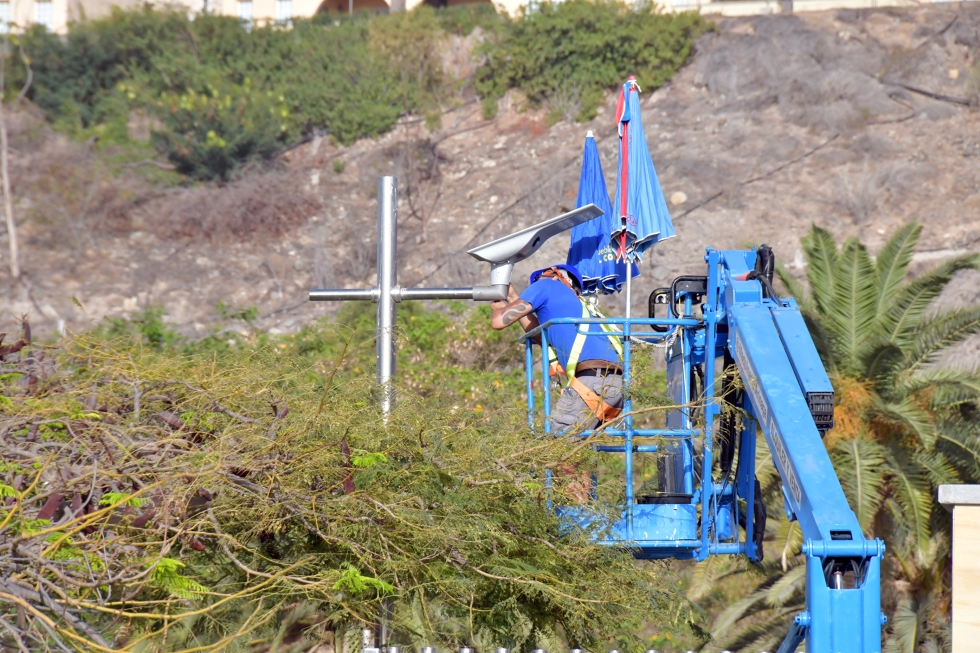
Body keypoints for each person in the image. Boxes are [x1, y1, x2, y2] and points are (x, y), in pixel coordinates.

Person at [489, 264, 624, 436]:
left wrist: (497, 310)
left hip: (592, 380)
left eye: (540, 277)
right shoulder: (578, 312)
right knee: (574, 452)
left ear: (557, 276)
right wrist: (513, 297)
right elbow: (542, 338)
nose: (536, 283)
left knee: (559, 450)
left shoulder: (548, 285)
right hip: (615, 385)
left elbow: (499, 322)